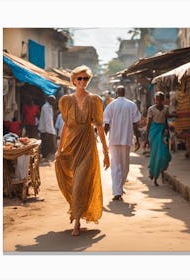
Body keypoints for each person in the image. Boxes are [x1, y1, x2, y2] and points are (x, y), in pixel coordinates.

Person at [55, 65, 110, 236]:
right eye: (79, 78)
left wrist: (106, 153)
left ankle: (77, 221)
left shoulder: (94, 100)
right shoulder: (66, 100)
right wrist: (60, 148)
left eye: (85, 78)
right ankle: (77, 210)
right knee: (73, 183)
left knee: (79, 183)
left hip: (87, 145)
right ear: (73, 80)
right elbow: (65, 126)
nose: (82, 81)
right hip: (71, 145)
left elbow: (99, 127)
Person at [103, 85, 141, 201]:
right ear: (125, 93)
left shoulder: (110, 106)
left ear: (116, 93)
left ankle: (118, 189)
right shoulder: (131, 105)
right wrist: (138, 139)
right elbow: (135, 124)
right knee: (125, 166)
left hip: (114, 140)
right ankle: (118, 190)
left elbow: (106, 125)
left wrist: (103, 139)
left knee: (115, 166)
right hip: (126, 139)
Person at [144, 91, 171, 186]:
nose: (158, 102)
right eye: (157, 100)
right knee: (155, 155)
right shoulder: (151, 109)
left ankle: (158, 172)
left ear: (163, 100)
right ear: (154, 100)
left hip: (163, 132)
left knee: (164, 155)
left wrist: (167, 133)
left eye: (160, 100)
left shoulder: (166, 109)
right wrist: (146, 139)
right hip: (154, 133)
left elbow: (167, 121)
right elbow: (148, 124)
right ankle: (154, 175)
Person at [38, 95, 57, 161]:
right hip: (46, 130)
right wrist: (48, 132)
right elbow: (47, 120)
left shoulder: (49, 107)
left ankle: (46, 157)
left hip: (49, 130)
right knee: (46, 144)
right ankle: (45, 157)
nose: (54, 102)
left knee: (48, 144)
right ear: (49, 100)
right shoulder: (46, 107)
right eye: (53, 101)